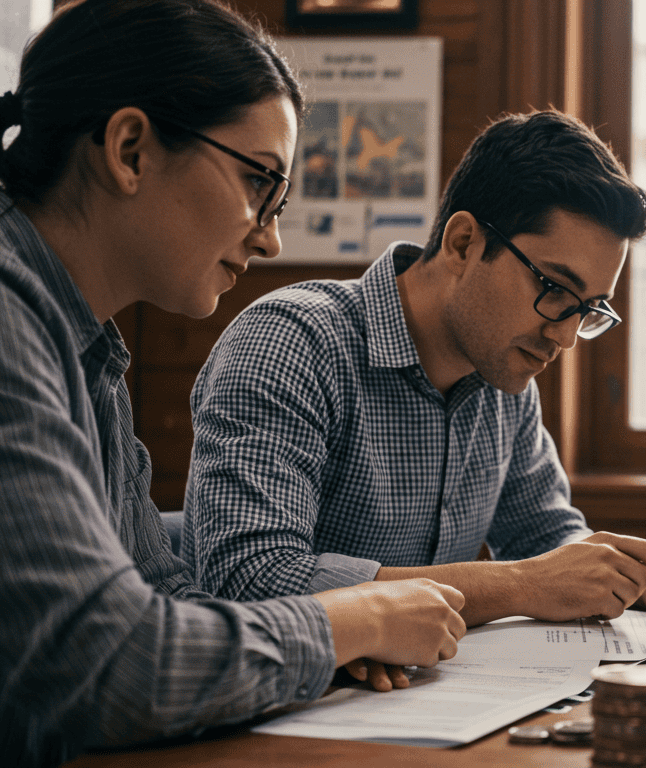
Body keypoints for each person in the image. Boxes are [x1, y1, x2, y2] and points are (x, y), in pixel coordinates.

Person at [0, 1, 467, 765]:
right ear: (129, 150)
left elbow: (160, 596)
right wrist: (347, 622)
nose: (272, 235)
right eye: (259, 183)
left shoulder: (89, 349)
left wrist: (319, 650)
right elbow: (110, 666)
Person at [184, 109, 646, 667]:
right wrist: (519, 585)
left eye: (589, 310)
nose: (566, 335)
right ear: (464, 242)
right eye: (554, 288)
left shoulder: (507, 377)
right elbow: (249, 580)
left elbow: (546, 540)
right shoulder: (292, 344)